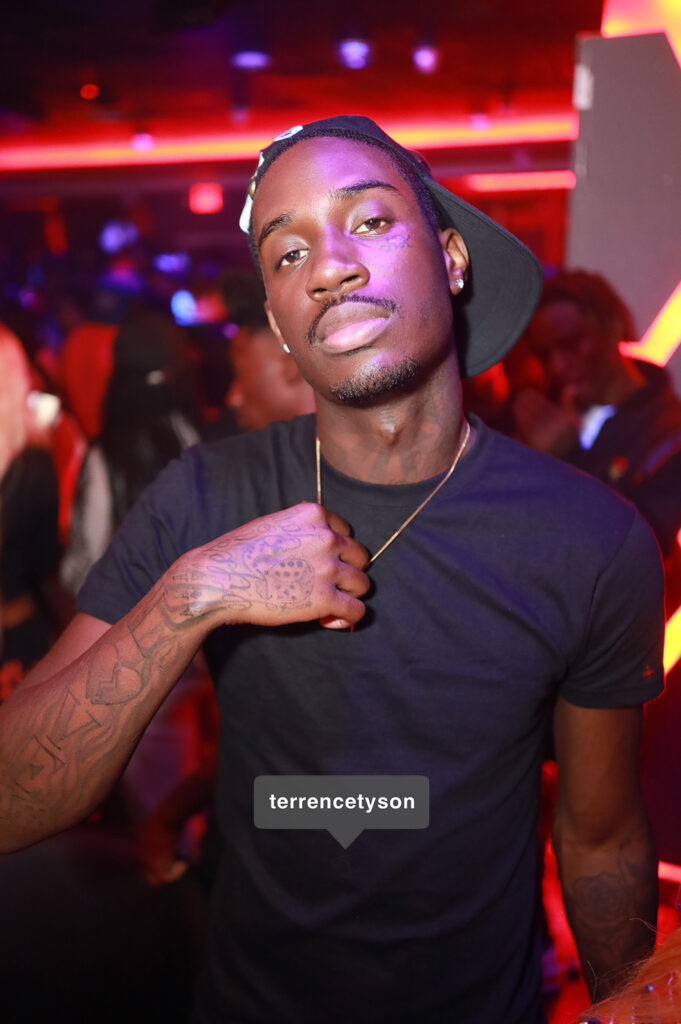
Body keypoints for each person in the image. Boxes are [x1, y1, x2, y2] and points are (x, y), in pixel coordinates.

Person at [0, 117, 665, 1024]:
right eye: (288, 253)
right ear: (278, 321)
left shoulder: (589, 537)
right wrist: (196, 595)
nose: (329, 267)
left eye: (372, 221)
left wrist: (626, 1000)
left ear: (452, 258)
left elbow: (600, 835)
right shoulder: (203, 496)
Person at [514, 270, 681, 560]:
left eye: (570, 343)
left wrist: (571, 458)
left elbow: (644, 550)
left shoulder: (669, 436)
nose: (557, 365)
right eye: (545, 354)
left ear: (613, 327)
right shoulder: (546, 409)